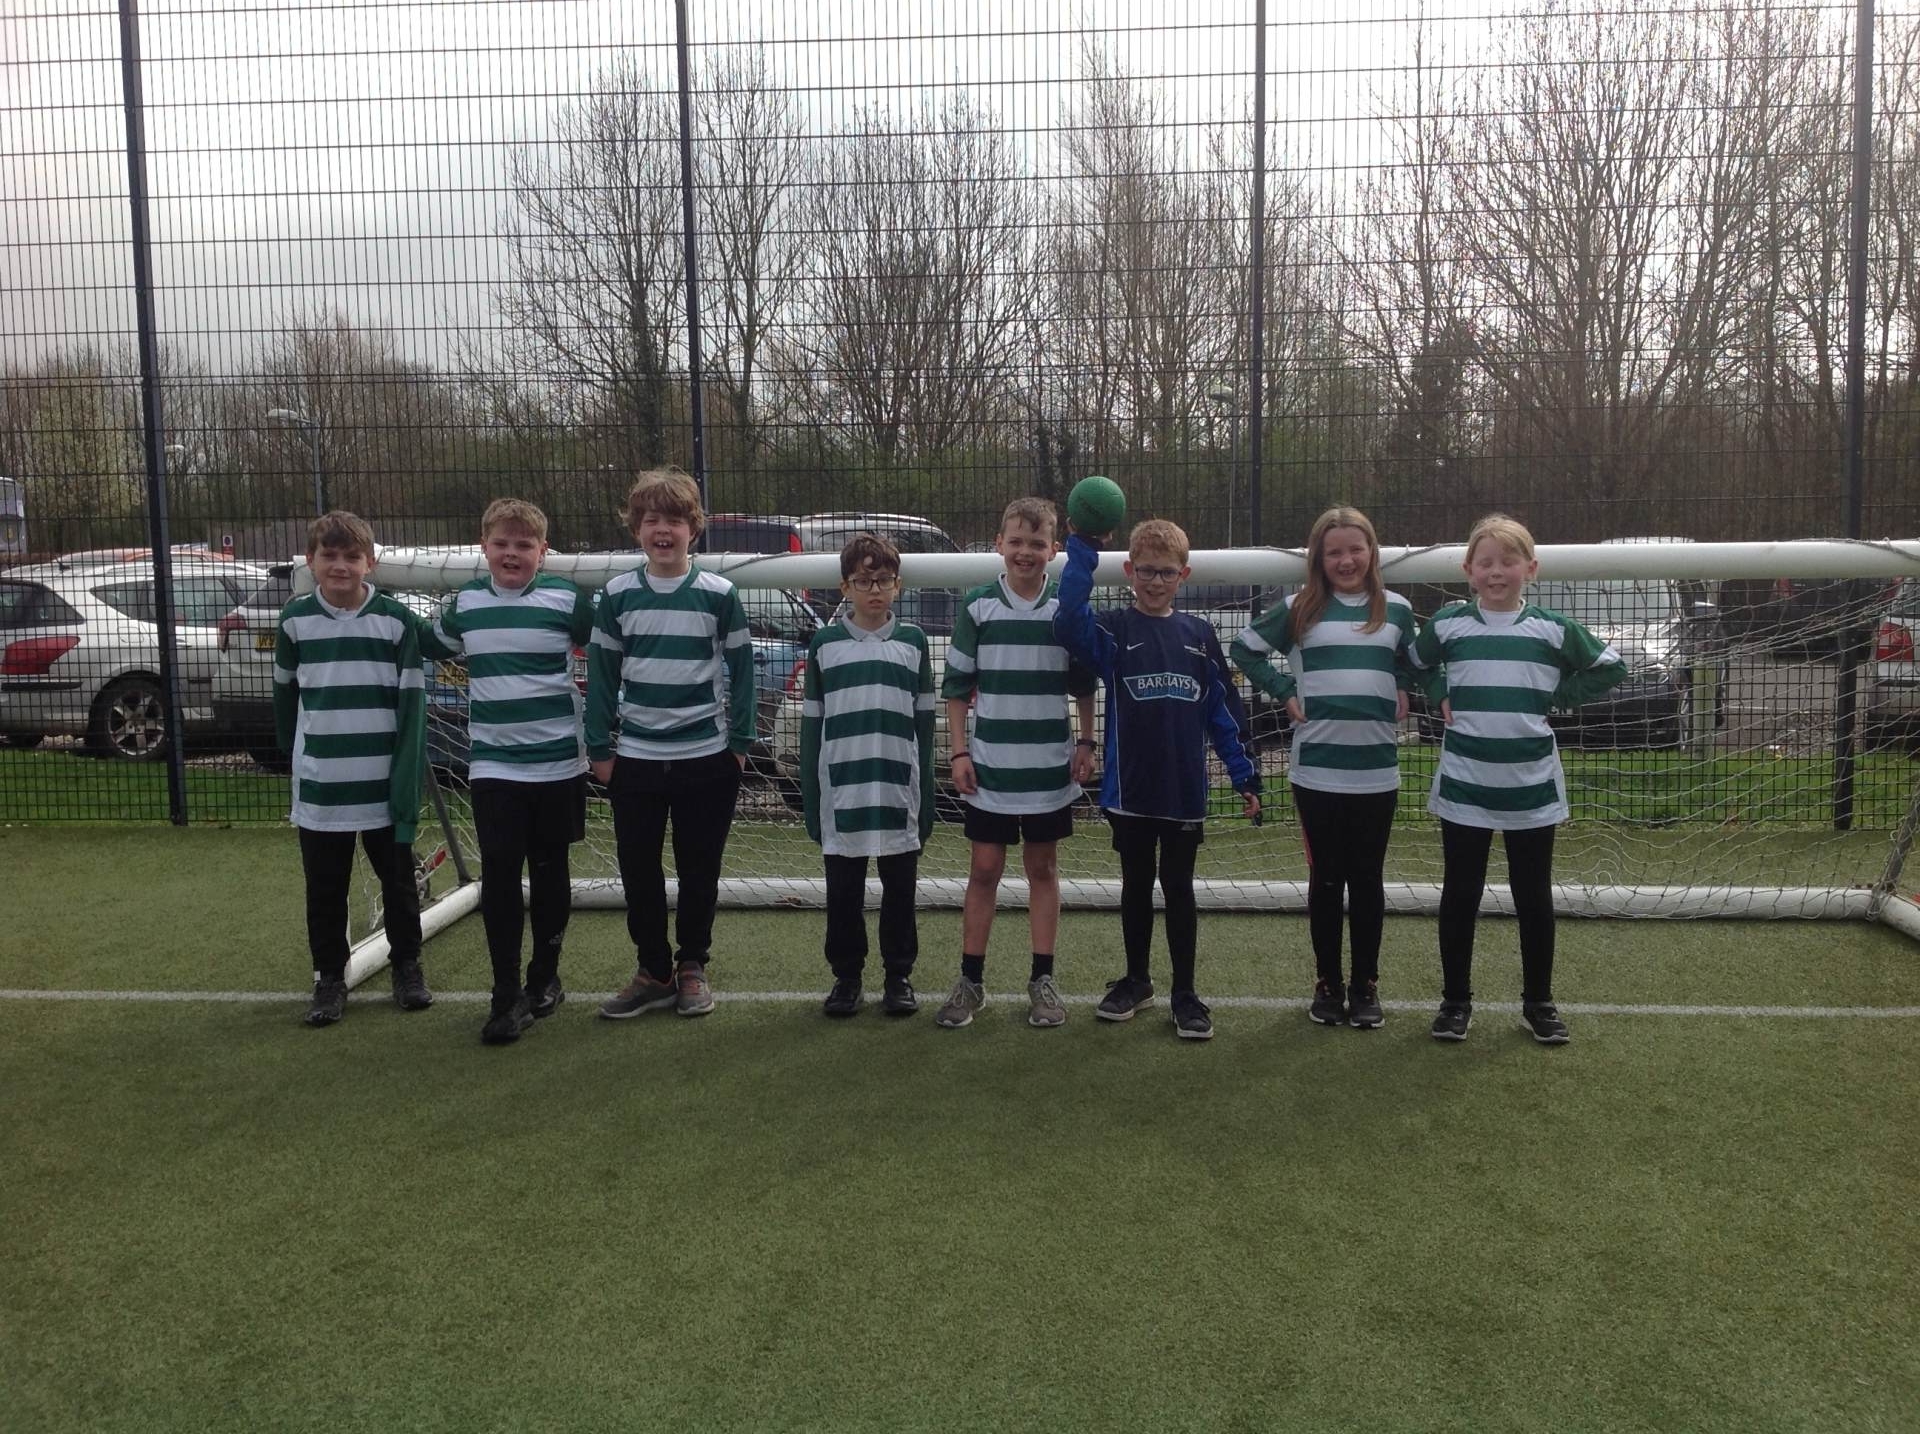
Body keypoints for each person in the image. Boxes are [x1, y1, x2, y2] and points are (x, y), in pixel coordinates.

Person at [1408, 513, 1627, 1045]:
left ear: (1531, 568)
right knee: (1460, 894)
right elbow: (1412, 662)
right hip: (1464, 784)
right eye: (1485, 562)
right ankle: (1455, 1002)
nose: (1496, 572)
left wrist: (1558, 697)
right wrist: (1438, 691)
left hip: (1531, 785)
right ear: (1468, 570)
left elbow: (1611, 666)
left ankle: (1539, 1003)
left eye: (1508, 562)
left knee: (1533, 896)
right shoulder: (1448, 625)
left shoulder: (1553, 629)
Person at [1053, 515, 1261, 1040]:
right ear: (1129, 572)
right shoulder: (1114, 630)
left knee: (1179, 888)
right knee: (1135, 886)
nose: (1155, 581)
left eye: (1166, 572)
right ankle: (1137, 980)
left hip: (1184, 792)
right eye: (1145, 571)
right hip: (1130, 791)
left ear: (1183, 575)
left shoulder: (1200, 636)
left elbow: (1223, 711)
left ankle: (1185, 993)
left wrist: (1245, 775)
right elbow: (1067, 621)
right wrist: (1082, 547)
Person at [1231, 506, 1420, 1030]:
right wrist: (1284, 690)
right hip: (1316, 771)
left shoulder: (1397, 610)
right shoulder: (1299, 609)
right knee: (1327, 880)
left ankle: (1365, 985)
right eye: (1334, 552)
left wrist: (1404, 684)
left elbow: (1414, 661)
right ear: (1318, 558)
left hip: (1376, 771)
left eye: (1355, 549)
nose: (1346, 560)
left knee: (1368, 880)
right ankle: (1328, 984)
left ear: (1372, 552)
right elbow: (1244, 650)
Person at [419, 499, 595, 1045]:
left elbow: (609, 647)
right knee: (499, 872)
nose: (511, 553)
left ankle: (545, 978)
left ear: (544, 551)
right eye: (502, 543)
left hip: (559, 761)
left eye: (524, 544)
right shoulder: (464, 604)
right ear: (484, 547)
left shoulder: (569, 600)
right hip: (494, 764)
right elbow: (424, 642)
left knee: (550, 869)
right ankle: (504, 994)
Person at [586, 468, 755, 1021]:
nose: (663, 530)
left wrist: (738, 744)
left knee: (699, 869)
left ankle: (692, 966)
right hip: (635, 759)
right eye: (652, 519)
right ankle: (653, 970)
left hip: (706, 759)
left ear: (693, 529)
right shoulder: (616, 595)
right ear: (637, 528)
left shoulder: (719, 594)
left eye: (675, 520)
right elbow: (602, 675)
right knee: (639, 872)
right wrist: (600, 749)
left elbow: (743, 670)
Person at [934, 498, 1097, 1030]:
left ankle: (1042, 980)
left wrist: (1087, 742)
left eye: (1037, 543)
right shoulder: (978, 606)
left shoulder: (1065, 609)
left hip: (1048, 769)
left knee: (1042, 868)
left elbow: (1083, 684)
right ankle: (971, 981)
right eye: (1017, 541)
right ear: (999, 544)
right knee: (984, 869)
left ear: (1054, 549)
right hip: (990, 768)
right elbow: (956, 688)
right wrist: (959, 751)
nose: (1026, 552)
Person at [273, 510, 433, 1027]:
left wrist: (404, 778)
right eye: (329, 555)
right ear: (310, 561)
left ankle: (407, 966)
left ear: (371, 562)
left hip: (384, 784)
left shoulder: (396, 620)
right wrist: (298, 757)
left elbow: (415, 697)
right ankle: (329, 978)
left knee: (399, 882)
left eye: (351, 556)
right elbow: (285, 698)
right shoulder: (295, 620)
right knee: (325, 888)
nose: (340, 565)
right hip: (322, 785)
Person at [803, 534, 936, 1017]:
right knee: (843, 893)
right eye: (863, 581)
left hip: (898, 790)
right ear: (846, 587)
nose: (874, 589)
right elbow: (811, 728)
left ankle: (899, 976)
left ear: (897, 585)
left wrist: (927, 798)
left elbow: (925, 728)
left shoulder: (914, 643)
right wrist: (811, 798)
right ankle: (847, 977)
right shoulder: (825, 645)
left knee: (900, 890)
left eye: (883, 580)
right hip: (843, 793)